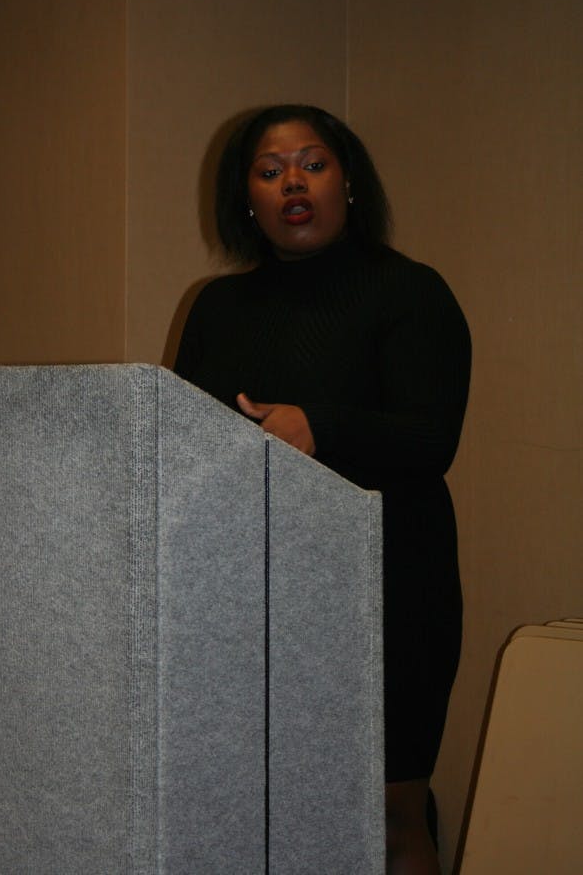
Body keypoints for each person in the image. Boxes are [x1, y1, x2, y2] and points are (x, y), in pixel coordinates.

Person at [174, 104, 471, 874]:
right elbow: (186, 445)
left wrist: (320, 427)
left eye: (312, 163)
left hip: (390, 586)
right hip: (257, 592)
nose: (292, 182)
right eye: (269, 171)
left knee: (386, 808)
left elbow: (430, 439)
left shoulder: (409, 291)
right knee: (263, 805)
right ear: (247, 199)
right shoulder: (217, 307)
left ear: (348, 183)